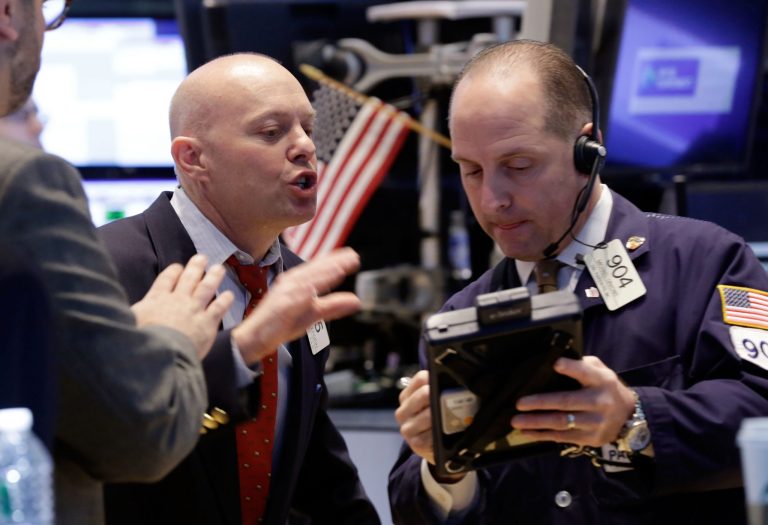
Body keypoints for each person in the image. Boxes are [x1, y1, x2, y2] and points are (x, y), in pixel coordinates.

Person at [389, 39, 768, 524]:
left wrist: (635, 419)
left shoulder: (705, 260)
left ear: (587, 151)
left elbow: (759, 407)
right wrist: (443, 469)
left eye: (518, 166)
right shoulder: (457, 318)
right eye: (471, 171)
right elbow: (410, 505)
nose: (491, 200)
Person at [98, 53, 380, 525]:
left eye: (307, 128)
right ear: (193, 158)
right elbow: (102, 444)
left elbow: (315, 473)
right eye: (271, 132)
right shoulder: (107, 267)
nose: (305, 147)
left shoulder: (295, 280)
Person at [0, 1, 238, 524]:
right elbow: (139, 434)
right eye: (47, 8)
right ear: (6, 14)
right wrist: (170, 337)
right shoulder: (22, 183)